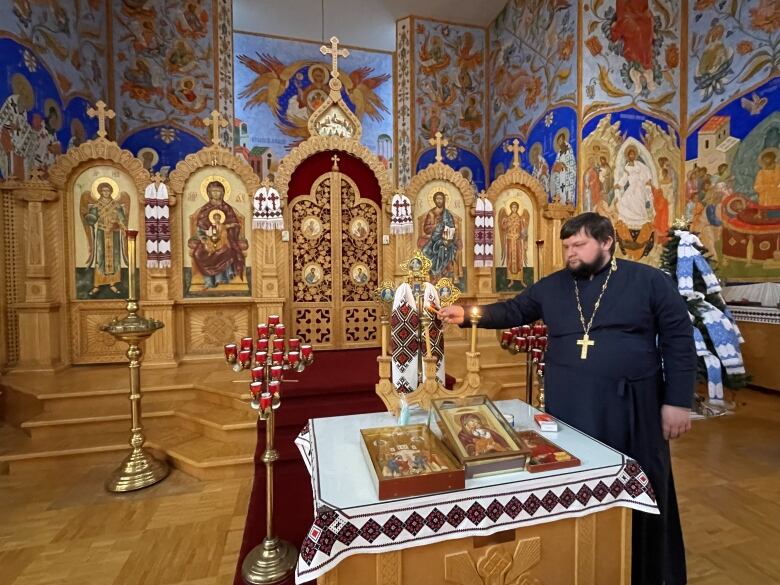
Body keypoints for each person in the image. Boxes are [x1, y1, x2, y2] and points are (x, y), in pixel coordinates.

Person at [438, 212, 695, 585]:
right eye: (566, 246)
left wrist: (677, 401)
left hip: (631, 410)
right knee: (573, 484)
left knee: (638, 488)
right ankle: (579, 563)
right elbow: (514, 310)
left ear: (607, 242)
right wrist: (466, 315)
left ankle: (642, 570)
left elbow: (679, 340)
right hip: (569, 410)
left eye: (579, 245)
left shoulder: (649, 281)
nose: (570, 253)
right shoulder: (554, 286)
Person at [188, 181, 247, 290]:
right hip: (207, 239)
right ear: (209, 193)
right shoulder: (205, 209)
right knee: (198, 253)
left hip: (225, 239)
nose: (216, 194)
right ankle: (209, 281)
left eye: (218, 191)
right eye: (213, 191)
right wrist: (206, 239)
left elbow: (235, 224)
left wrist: (226, 231)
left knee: (226, 250)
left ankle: (223, 278)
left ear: (223, 193)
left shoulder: (227, 208)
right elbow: (200, 227)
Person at [82, 182, 130, 296]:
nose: (106, 193)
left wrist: (120, 227)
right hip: (101, 233)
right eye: (103, 191)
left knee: (114, 258)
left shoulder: (116, 206)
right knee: (100, 257)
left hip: (114, 233)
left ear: (111, 191)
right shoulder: (96, 206)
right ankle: (97, 285)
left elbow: (122, 220)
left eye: (108, 190)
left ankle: (112, 284)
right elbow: (92, 218)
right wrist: (89, 218)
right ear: (100, 192)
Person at [417, 191, 461, 280]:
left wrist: (447, 236)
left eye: (441, 199)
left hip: (446, 238)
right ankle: (432, 274)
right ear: (434, 200)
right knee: (425, 251)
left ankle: (443, 274)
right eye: (437, 199)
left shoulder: (447, 214)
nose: (439, 201)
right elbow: (426, 228)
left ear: (444, 200)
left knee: (444, 248)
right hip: (433, 238)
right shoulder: (431, 213)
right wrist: (435, 226)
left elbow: (452, 227)